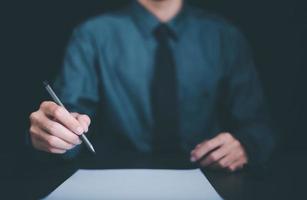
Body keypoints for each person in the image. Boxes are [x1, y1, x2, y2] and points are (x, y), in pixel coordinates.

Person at [29, 0, 275, 172]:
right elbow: (69, 115)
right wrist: (57, 133)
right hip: (115, 179)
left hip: (209, 176)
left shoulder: (225, 36)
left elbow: (259, 123)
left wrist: (246, 144)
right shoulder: (92, 35)